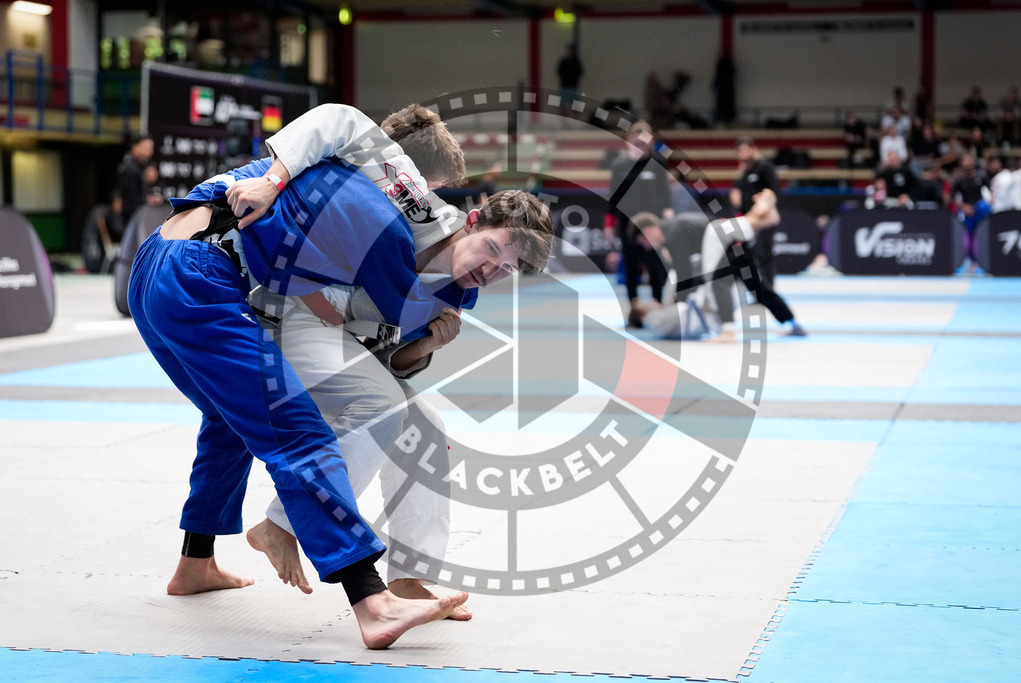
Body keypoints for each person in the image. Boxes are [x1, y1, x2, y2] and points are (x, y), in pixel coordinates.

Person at [127, 104, 479, 649]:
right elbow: (334, 121)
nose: (421, 210)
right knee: (295, 430)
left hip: (164, 266)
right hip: (202, 278)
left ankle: (195, 563)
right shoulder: (356, 184)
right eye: (423, 192)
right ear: (405, 174)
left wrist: (420, 349)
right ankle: (371, 597)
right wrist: (273, 179)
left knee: (227, 420)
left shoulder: (344, 206)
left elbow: (366, 337)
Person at [248, 189, 552, 615]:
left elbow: (387, 358)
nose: (489, 270)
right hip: (292, 314)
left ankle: (411, 576)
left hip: (339, 341)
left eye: (505, 269)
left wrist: (428, 344)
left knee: (427, 429)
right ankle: (284, 521)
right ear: (474, 220)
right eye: (491, 249)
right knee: (384, 405)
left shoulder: (461, 292)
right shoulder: (411, 225)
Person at [628, 190, 803, 341]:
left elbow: (684, 271)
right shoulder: (675, 226)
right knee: (757, 286)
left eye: (644, 242)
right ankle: (792, 323)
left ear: (647, 231)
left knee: (716, 282)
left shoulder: (672, 232)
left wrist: (680, 304)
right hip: (730, 241)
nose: (648, 247)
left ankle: (728, 331)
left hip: (719, 238)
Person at [729, 138, 805, 340]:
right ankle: (758, 294)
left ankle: (766, 291)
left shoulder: (765, 168)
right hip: (746, 226)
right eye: (740, 151)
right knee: (746, 266)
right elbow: (737, 196)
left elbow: (772, 194)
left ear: (754, 149)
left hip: (761, 224)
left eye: (745, 150)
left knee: (762, 260)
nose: (742, 155)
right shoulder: (746, 172)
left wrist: (763, 204)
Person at [606, 120, 674, 317]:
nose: (641, 148)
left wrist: (668, 211)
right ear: (629, 142)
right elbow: (614, 197)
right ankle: (634, 305)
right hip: (628, 223)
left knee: (655, 264)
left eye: (644, 144)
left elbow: (665, 192)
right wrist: (609, 223)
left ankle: (658, 301)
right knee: (630, 264)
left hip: (653, 224)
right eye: (637, 144)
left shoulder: (658, 162)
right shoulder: (619, 164)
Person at [118, 134, 155, 225]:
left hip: (139, 218)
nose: (149, 151)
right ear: (135, 147)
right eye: (146, 147)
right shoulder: (130, 168)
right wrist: (148, 200)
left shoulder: (142, 167)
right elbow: (131, 200)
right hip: (132, 220)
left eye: (151, 147)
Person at [556, 43, 584, 118]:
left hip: (573, 86)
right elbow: (559, 72)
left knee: (574, 104)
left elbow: (580, 72)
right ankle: (563, 119)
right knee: (563, 104)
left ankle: (575, 120)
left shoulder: (576, 62)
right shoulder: (563, 62)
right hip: (564, 85)